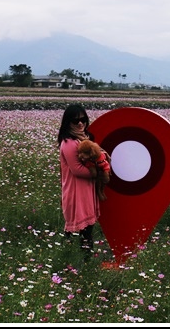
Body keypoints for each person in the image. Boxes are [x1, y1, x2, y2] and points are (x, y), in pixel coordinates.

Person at [57, 104, 100, 254]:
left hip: (85, 190)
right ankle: (79, 262)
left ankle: (77, 259)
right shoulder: (69, 143)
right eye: (76, 121)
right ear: (68, 123)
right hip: (76, 192)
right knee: (81, 229)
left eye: (83, 119)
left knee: (86, 230)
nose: (80, 123)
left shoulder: (84, 139)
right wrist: (98, 172)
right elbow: (77, 170)